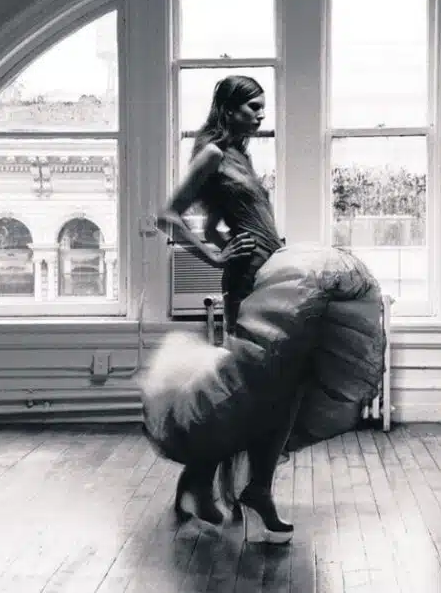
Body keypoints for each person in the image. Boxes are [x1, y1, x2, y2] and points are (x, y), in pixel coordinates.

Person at [156, 75, 295, 542]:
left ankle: (216, 482)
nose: (260, 114)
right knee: (253, 388)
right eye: (252, 107)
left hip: (268, 274)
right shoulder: (213, 154)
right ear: (227, 108)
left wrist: (248, 241)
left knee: (265, 389)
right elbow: (168, 216)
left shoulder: (242, 157)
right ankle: (236, 486)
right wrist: (217, 256)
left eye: (262, 107)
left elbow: (217, 221)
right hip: (246, 282)